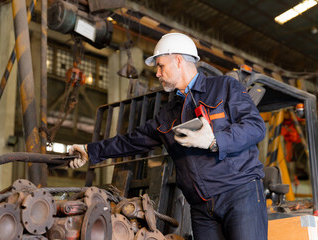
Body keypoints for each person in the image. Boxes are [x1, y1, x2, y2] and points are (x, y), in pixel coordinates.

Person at [68, 33, 268, 240]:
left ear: (179, 60)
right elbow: (132, 140)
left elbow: (255, 127)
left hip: (239, 194)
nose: (157, 73)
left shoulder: (224, 87)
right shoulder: (169, 113)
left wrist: (214, 140)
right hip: (201, 207)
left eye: (161, 66)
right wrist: (89, 151)